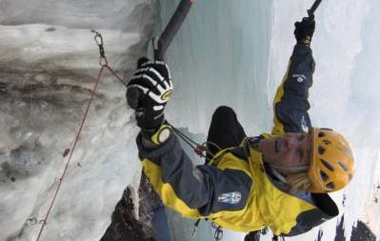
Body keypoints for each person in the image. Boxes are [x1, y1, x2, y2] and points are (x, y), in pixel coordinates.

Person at [126, 16, 355, 237]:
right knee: (224, 116)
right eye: (304, 138)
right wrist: (304, 44)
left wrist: (153, 127)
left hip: (237, 181)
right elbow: (295, 96)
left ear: (297, 179)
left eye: (299, 153)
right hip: (249, 158)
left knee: (207, 181)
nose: (291, 140)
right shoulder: (293, 138)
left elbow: (195, 194)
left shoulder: (243, 192)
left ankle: (214, 177)